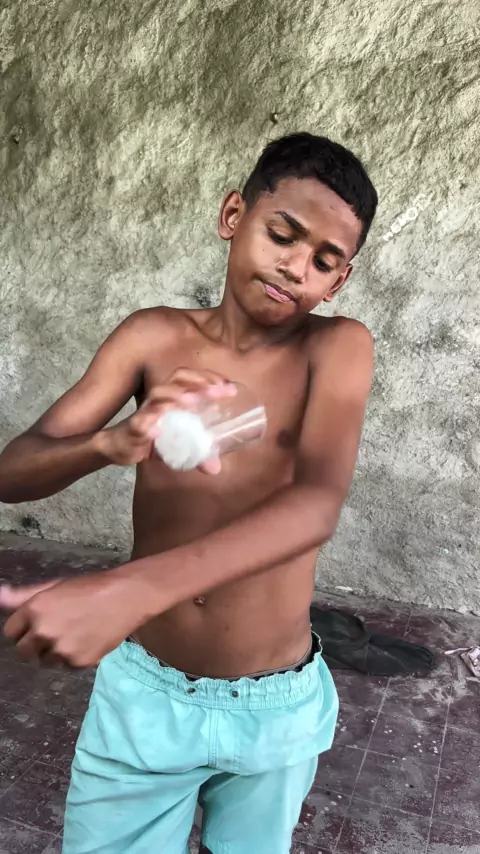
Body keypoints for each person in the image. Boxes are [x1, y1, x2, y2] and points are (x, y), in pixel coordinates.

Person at [0, 132, 377, 854]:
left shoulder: (336, 349)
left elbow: (315, 505)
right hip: (145, 690)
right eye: (283, 235)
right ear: (233, 215)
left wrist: (129, 589)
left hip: (272, 704)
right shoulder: (151, 339)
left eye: (324, 260)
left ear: (338, 281)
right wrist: (108, 444)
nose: (296, 266)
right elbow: (13, 472)